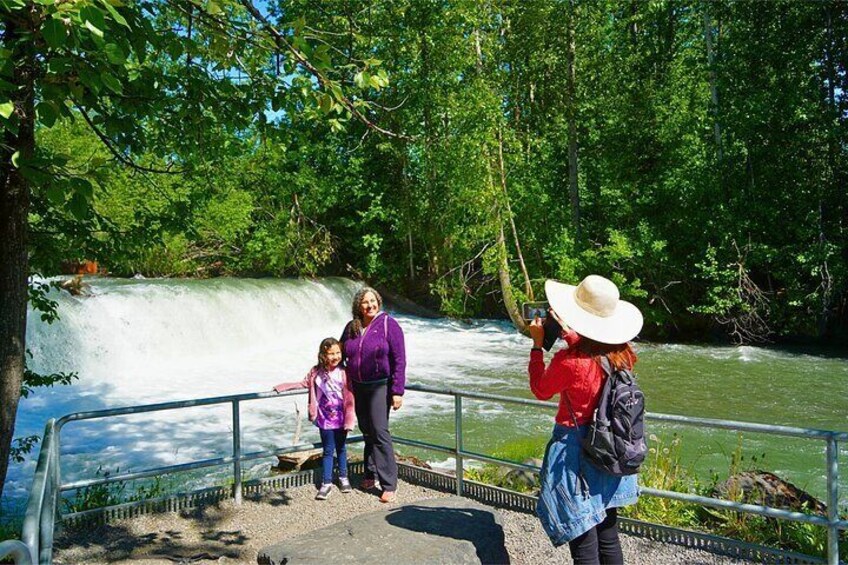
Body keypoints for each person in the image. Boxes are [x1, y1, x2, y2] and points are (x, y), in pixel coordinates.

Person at [528, 275, 643, 565]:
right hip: (611, 446)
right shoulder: (623, 355)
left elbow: (541, 389)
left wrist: (537, 346)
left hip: (575, 451)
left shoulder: (568, 362)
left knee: (583, 538)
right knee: (607, 531)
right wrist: (570, 334)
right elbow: (596, 353)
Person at [340, 286, 406, 503]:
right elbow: (340, 352)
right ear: (358, 306)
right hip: (358, 386)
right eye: (365, 302)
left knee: (379, 431)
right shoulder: (352, 327)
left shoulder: (389, 324)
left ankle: (389, 484)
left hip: (380, 386)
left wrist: (397, 391)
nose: (370, 305)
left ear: (378, 301)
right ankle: (370, 473)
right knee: (367, 430)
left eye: (373, 301)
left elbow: (399, 360)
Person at [273, 337, 355, 500]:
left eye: (338, 353)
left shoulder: (344, 372)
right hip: (324, 419)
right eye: (331, 353)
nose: (335, 357)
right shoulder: (315, 372)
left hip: (341, 417)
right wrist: (282, 387)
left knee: (341, 448)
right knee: (327, 450)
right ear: (323, 354)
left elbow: (352, 393)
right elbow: (303, 383)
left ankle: (344, 477)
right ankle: (326, 483)